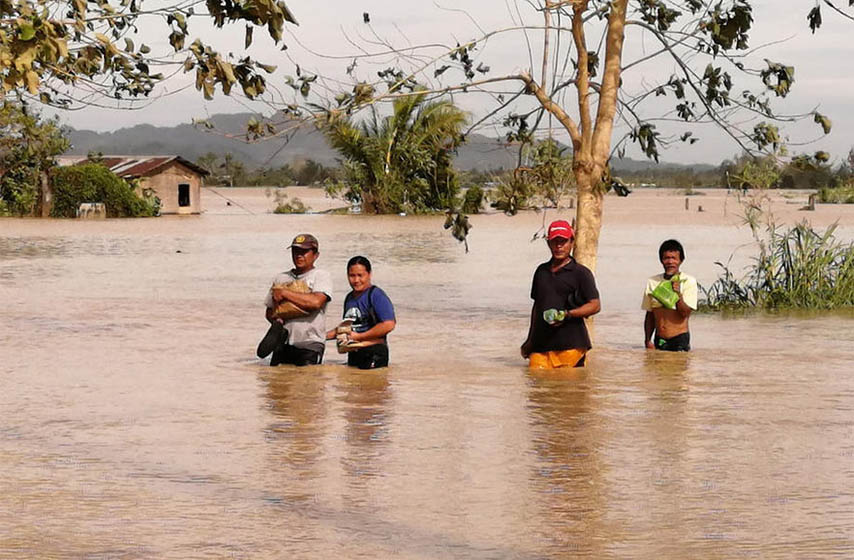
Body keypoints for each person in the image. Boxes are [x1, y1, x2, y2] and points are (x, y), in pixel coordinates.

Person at [521, 220, 601, 369]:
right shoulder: (541, 272)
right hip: (541, 345)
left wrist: (567, 314)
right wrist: (530, 340)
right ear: (548, 244)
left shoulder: (581, 273)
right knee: (536, 388)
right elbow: (537, 307)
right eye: (554, 242)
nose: (559, 246)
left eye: (563, 241)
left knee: (566, 390)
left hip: (571, 346)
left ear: (572, 242)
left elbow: (595, 305)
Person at [263, 233, 333, 366]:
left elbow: (315, 302)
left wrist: (284, 293)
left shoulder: (321, 276)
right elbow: (269, 312)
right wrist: (277, 321)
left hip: (310, 344)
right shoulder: (280, 278)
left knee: (307, 382)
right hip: (282, 343)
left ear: (316, 255)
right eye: (296, 251)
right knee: (277, 383)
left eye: (304, 251)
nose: (299, 255)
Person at [327, 256, 396, 369]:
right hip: (354, 352)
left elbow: (389, 324)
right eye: (352, 276)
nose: (356, 280)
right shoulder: (349, 298)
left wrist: (360, 336)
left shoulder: (376, 295)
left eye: (360, 275)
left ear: (369, 274)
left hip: (374, 353)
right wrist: (321, 337)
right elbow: (346, 328)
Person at [642, 239, 698, 352]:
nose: (670, 262)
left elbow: (685, 313)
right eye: (666, 258)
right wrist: (648, 340)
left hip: (679, 340)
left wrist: (678, 295)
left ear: (681, 260)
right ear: (661, 260)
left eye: (674, 258)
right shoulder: (653, 281)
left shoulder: (688, 281)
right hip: (659, 339)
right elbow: (650, 314)